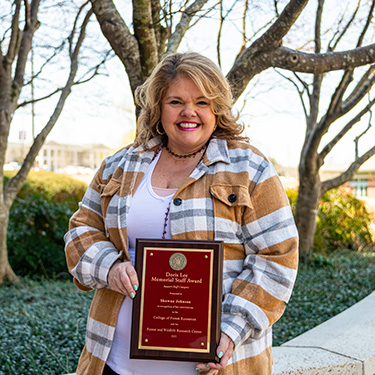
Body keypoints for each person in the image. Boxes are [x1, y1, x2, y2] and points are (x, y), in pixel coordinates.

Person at [64, 52, 298, 375]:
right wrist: (110, 267)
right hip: (113, 363)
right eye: (176, 101)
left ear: (216, 108)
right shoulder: (120, 165)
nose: (189, 112)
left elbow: (278, 256)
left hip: (215, 367)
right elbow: (79, 231)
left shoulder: (251, 170)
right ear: (159, 108)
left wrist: (231, 330)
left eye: (202, 102)